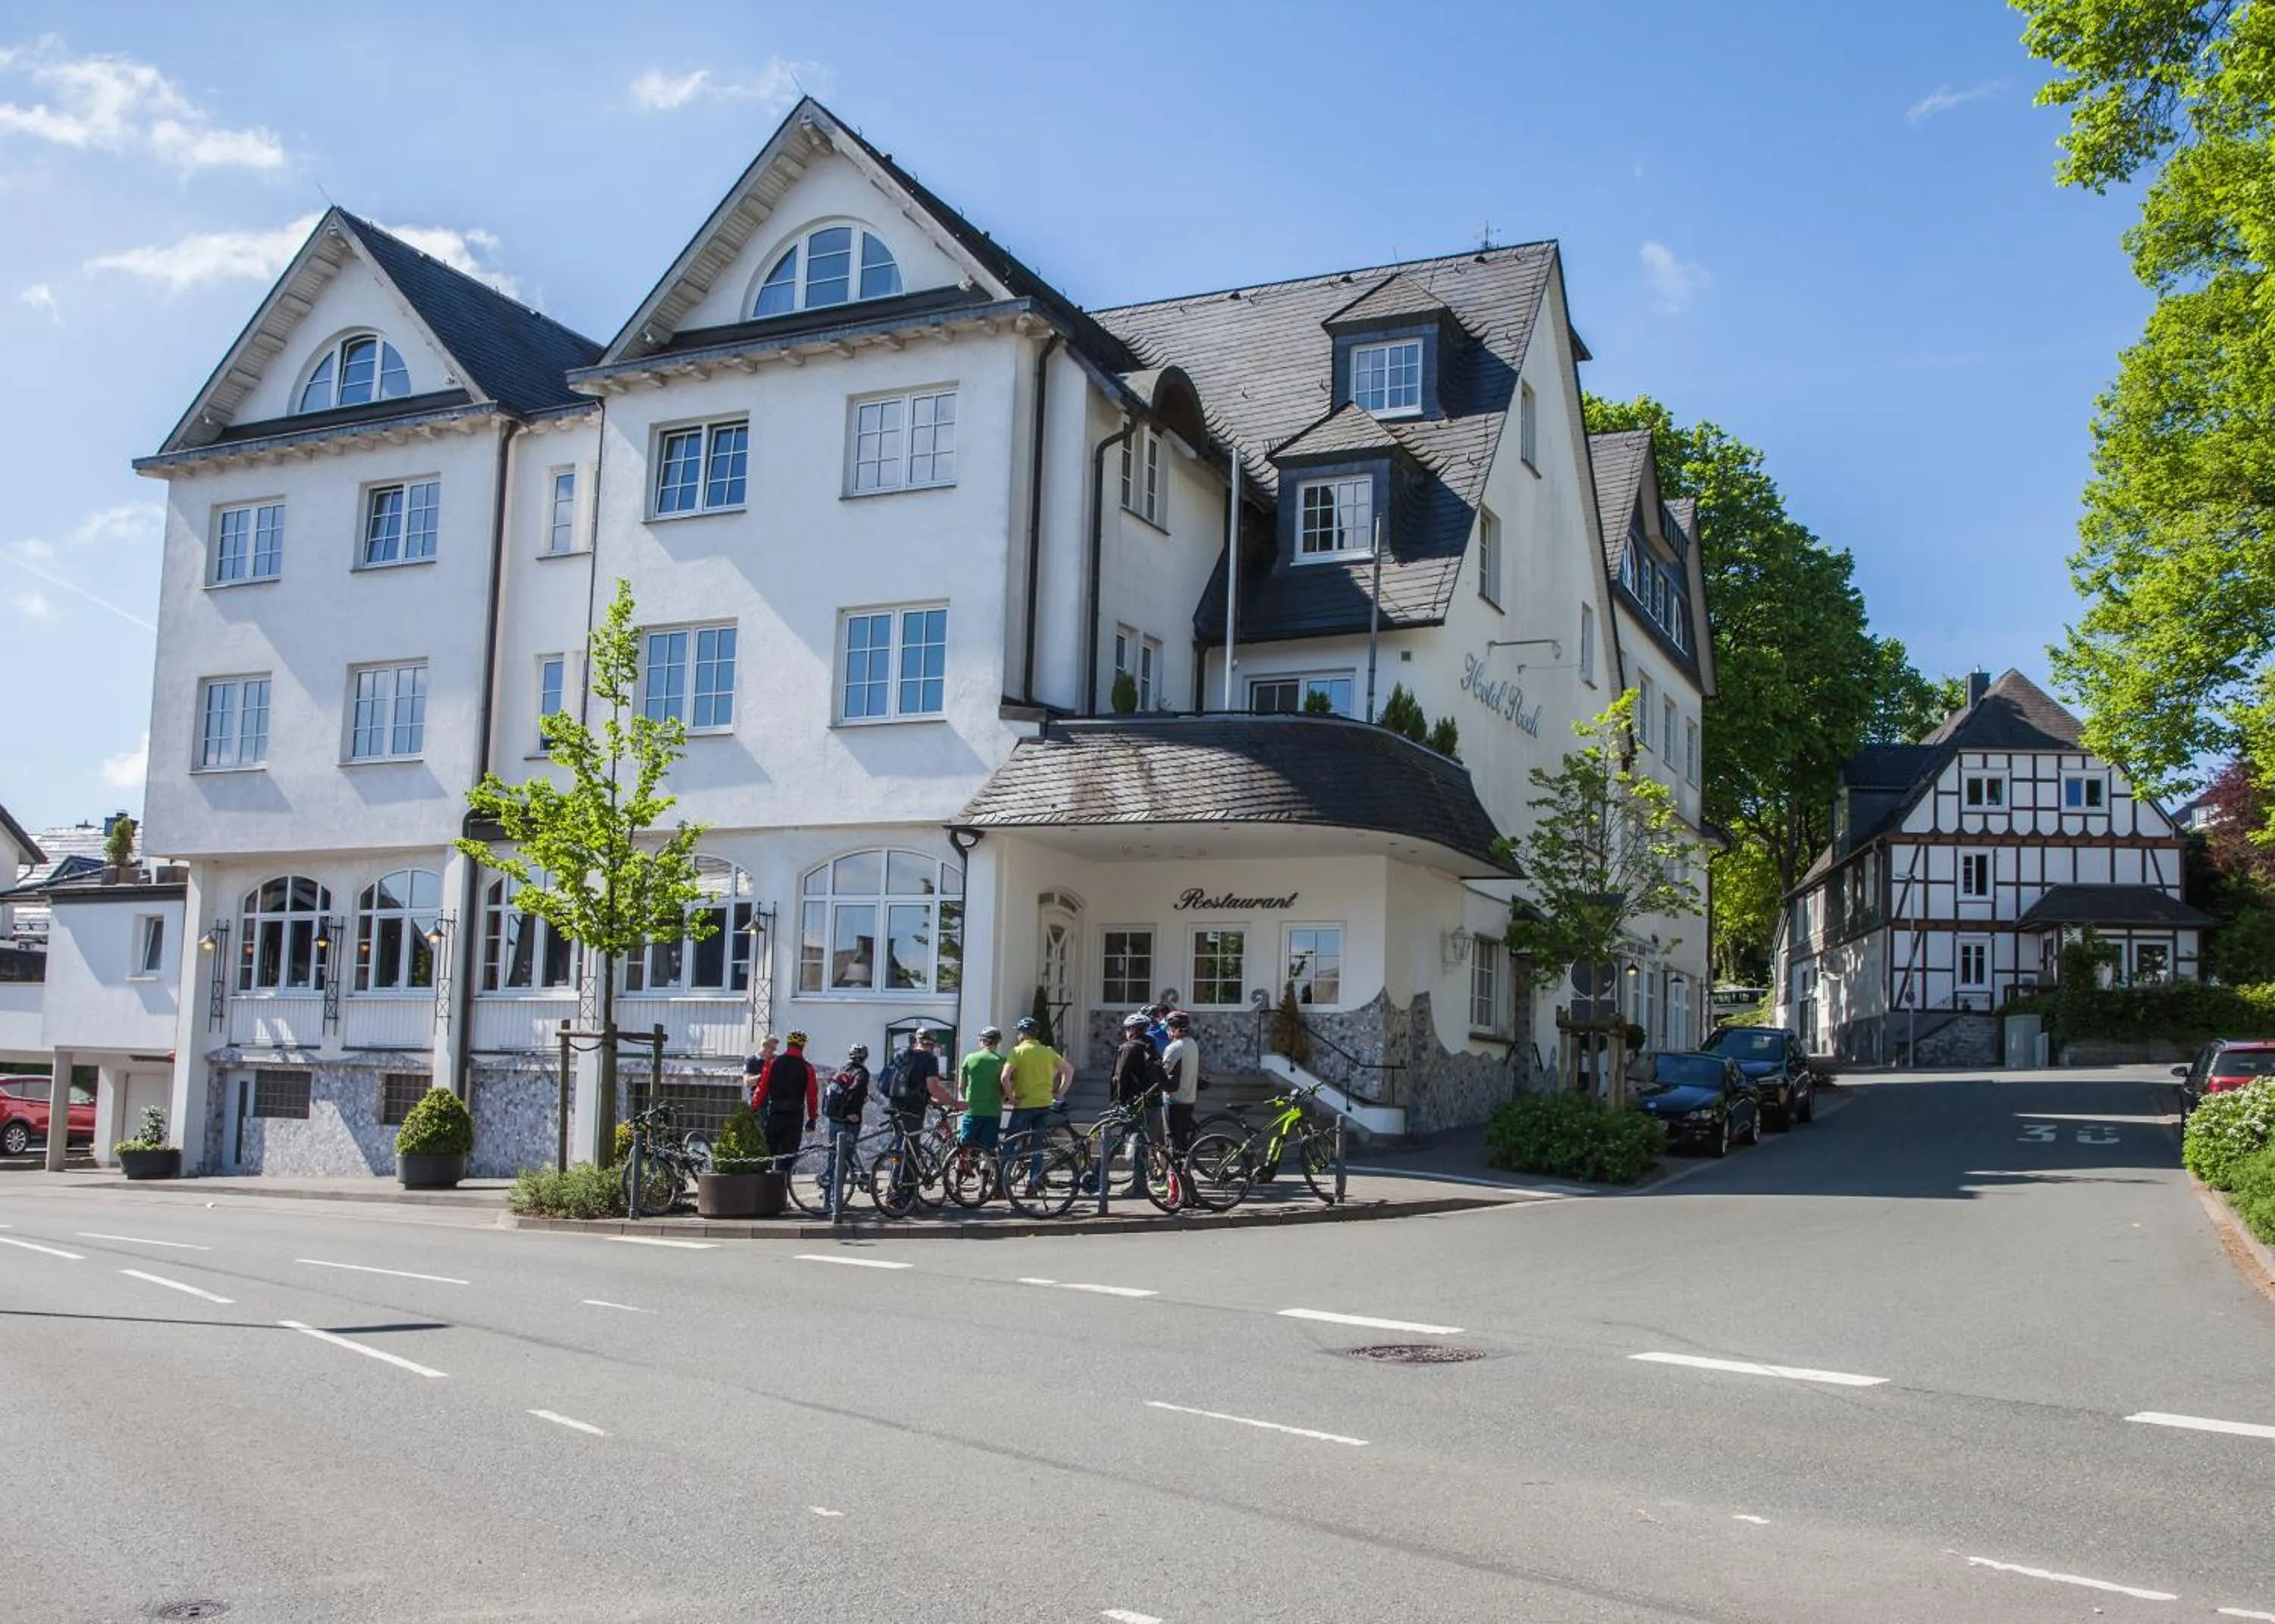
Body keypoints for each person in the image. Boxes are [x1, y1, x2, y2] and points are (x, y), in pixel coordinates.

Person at [1003, 1015, 1072, 1191]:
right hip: (1043, 1103)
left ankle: (1001, 1185)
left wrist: (1011, 1097)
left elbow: (1005, 1077)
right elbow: (1069, 1070)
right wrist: (1059, 1093)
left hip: (1024, 1104)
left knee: (1010, 1143)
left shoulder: (1017, 1052)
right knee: (1037, 1146)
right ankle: (1034, 1184)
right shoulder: (1048, 1051)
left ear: (1022, 1034)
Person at [1106, 1010, 1169, 1194]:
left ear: (1132, 1030)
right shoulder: (1152, 1047)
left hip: (1134, 1104)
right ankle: (1104, 1176)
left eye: (1127, 1029)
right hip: (1153, 1102)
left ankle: (1139, 1186)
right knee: (1143, 1144)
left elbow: (1119, 1077)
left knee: (1134, 1143)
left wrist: (1117, 1102)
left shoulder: (1129, 1048)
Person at [820, 1042, 873, 1221]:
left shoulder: (842, 1069)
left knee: (833, 1157)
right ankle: (837, 1202)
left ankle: (828, 1200)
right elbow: (856, 1093)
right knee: (844, 1159)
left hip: (834, 1119)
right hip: (848, 1121)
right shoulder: (862, 1073)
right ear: (865, 1057)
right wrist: (851, 1113)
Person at [759, 1030, 816, 1168]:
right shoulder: (807, 1068)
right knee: (787, 1157)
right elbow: (812, 1095)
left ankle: (764, 1186)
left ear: (788, 1044)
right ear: (803, 1046)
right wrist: (812, 1118)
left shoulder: (773, 1063)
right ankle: (781, 1186)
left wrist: (754, 1107)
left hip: (775, 1113)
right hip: (795, 1116)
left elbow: (762, 1087)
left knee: (768, 1154)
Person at [956, 1026, 1006, 1149]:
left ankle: (960, 1168)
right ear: (997, 1042)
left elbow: (961, 1087)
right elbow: (1005, 1087)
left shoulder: (970, 1058)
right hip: (993, 1111)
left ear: (983, 1041)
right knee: (987, 1149)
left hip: (973, 1110)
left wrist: (968, 1100)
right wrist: (1002, 1099)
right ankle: (985, 1168)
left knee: (964, 1148)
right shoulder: (1002, 1061)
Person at [1161, 1011, 1201, 1157]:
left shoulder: (1175, 1047)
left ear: (1173, 1028)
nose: (1167, 1031)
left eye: (1168, 1027)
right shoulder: (1192, 1044)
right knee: (1183, 1141)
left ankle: (1174, 1176)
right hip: (1189, 1098)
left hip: (1174, 1100)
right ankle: (1184, 1173)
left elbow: (1162, 1072)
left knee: (1172, 1140)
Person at [745, 1033, 779, 1110]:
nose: (773, 1051)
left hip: (773, 1103)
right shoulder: (752, 1061)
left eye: (775, 1049)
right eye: (771, 1048)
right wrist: (764, 1075)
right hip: (757, 1103)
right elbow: (747, 1082)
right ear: (764, 1045)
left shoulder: (776, 1060)